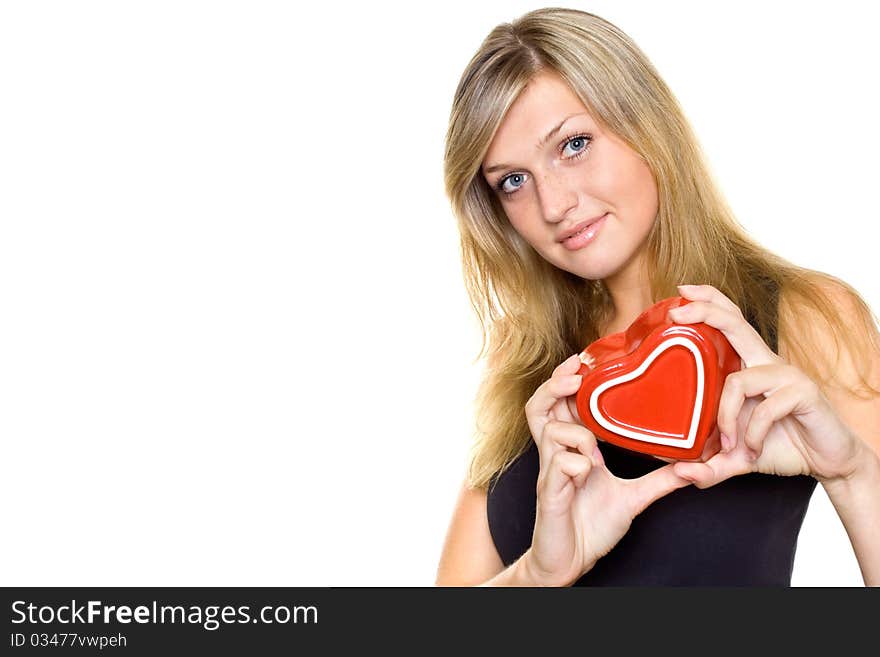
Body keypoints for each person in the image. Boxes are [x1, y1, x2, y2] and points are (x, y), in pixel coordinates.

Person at [434, 7, 880, 586]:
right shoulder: (521, 361)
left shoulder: (803, 318)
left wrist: (852, 475)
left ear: (646, 123)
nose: (553, 205)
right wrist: (541, 574)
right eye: (512, 181)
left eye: (573, 144)